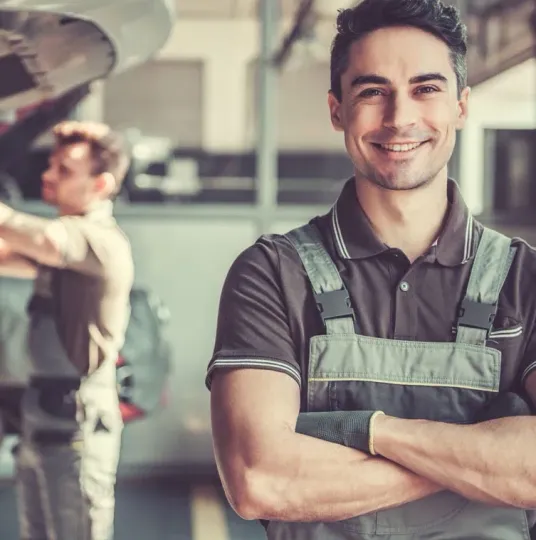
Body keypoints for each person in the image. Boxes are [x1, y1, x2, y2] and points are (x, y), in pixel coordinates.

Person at [206, 0, 536, 538]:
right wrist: (480, 455)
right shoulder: (272, 274)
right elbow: (261, 480)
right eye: (372, 91)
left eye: (426, 88)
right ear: (337, 109)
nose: (399, 117)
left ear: (461, 106)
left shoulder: (526, 279)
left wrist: (366, 431)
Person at [0, 120, 134, 540]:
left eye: (65, 170)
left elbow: (42, 239)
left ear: (101, 184)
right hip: (41, 421)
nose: (48, 175)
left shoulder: (97, 240)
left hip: (76, 427)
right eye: (51, 165)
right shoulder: (63, 246)